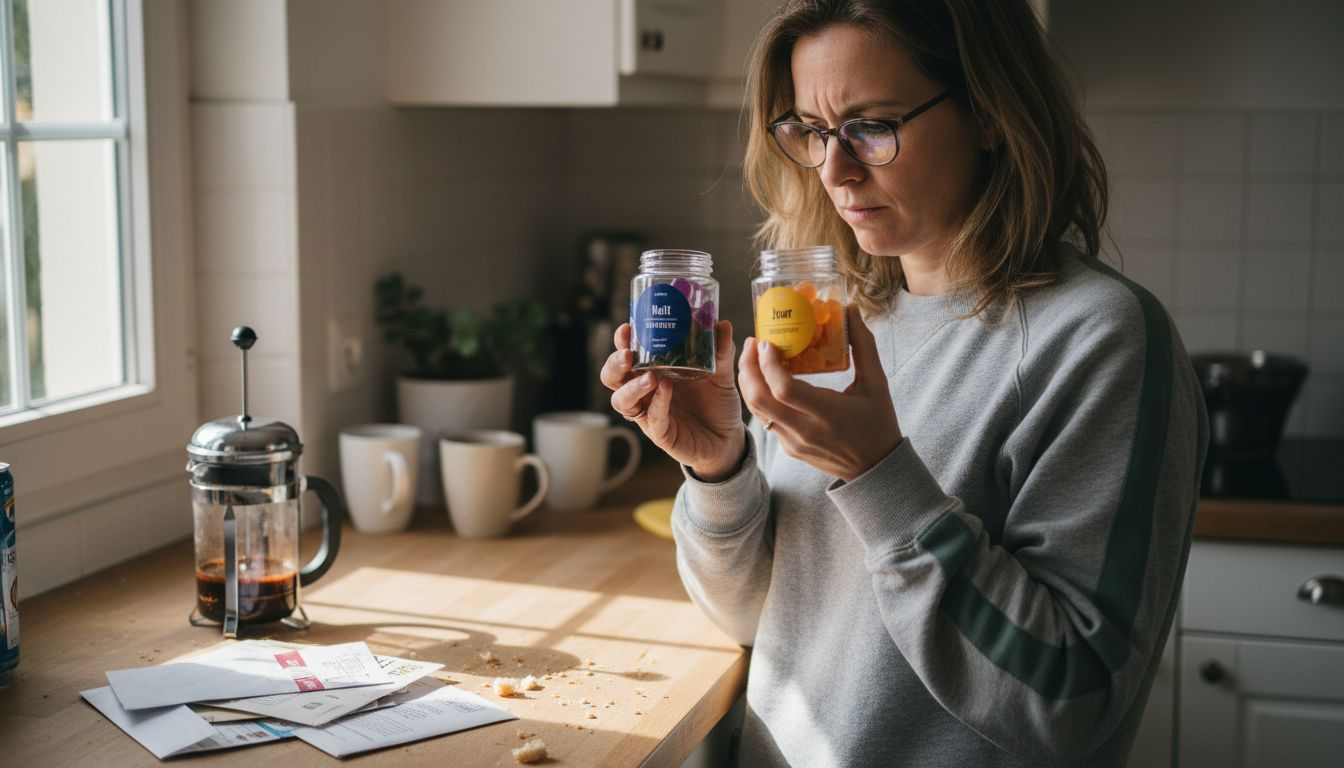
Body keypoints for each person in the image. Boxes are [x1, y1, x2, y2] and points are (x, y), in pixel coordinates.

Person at [600, 0, 1208, 765]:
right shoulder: (834, 321)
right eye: (814, 131)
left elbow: (1068, 699)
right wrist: (719, 467)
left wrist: (879, 474)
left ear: (991, 113)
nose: (834, 169)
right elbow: (757, 617)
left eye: (872, 126)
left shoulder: (1099, 340)